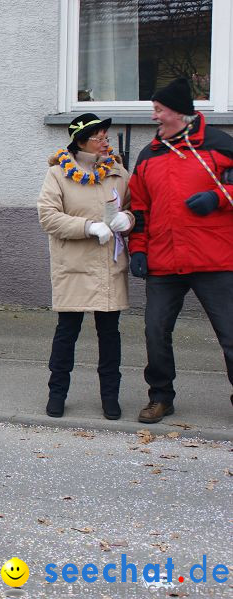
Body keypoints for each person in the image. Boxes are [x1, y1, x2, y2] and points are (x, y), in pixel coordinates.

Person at [128, 77, 233, 423]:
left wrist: (217, 198)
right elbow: (140, 209)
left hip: (214, 259)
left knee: (230, 334)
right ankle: (160, 397)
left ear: (177, 112)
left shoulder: (219, 145)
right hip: (164, 260)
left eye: (158, 110)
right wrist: (139, 250)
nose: (154, 116)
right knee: (155, 330)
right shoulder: (148, 156)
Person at [38, 114, 133, 420]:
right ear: (82, 141)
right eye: (100, 138)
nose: (106, 143)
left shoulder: (118, 171)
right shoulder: (59, 173)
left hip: (108, 267)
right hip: (75, 267)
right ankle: (57, 394)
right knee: (67, 333)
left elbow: (135, 207)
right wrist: (88, 227)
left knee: (110, 334)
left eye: (107, 137)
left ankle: (110, 398)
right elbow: (48, 217)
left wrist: (128, 220)